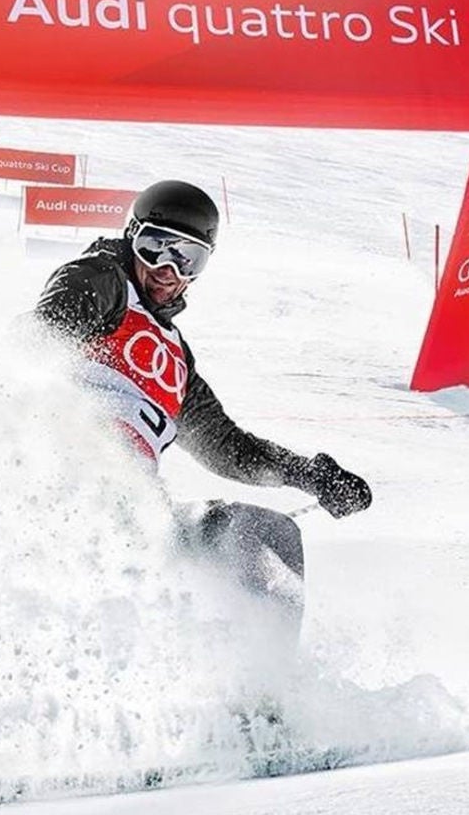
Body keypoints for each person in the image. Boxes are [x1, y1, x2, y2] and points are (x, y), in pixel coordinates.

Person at [26, 179, 372, 623]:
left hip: (141, 517)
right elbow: (49, 328)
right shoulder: (105, 280)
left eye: (187, 257)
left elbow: (227, 447)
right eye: (155, 247)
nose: (167, 269)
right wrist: (41, 343)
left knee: (265, 534)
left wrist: (311, 475)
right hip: (70, 493)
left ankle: (256, 665)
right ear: (131, 236)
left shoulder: (176, 360)